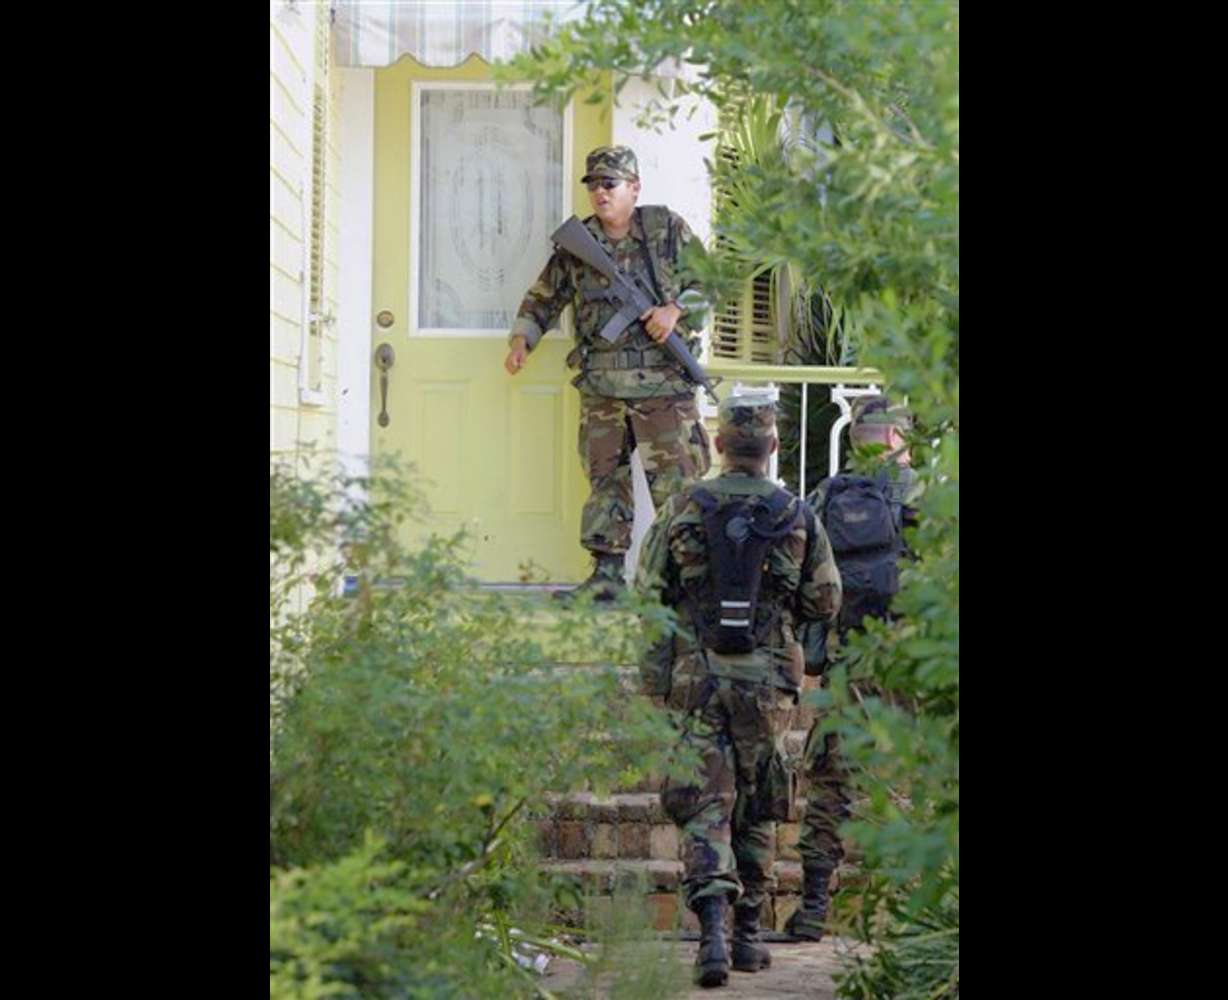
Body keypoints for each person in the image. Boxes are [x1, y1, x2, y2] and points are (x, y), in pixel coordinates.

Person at [634, 392, 842, 988]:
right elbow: (825, 600)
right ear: (772, 448)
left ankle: (714, 935)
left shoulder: (683, 507)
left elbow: (649, 593)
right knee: (758, 797)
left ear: (719, 444)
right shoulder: (796, 513)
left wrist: (657, 673)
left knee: (706, 803)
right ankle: (751, 933)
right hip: (769, 680)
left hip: (697, 676)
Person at [504, 145, 712, 599]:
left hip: (664, 387)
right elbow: (544, 296)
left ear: (634, 188)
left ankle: (687, 582)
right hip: (602, 388)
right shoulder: (579, 245)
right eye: (593, 184)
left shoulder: (667, 231)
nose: (600, 192)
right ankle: (606, 580)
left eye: (610, 183)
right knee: (605, 482)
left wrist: (675, 311)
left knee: (678, 483)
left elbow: (709, 282)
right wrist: (523, 339)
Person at [785, 395, 921, 942]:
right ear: (895, 439)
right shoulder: (923, 492)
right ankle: (917, 917)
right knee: (923, 782)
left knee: (830, 788)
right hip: (912, 663)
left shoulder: (823, 496)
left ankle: (814, 906)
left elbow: (801, 580)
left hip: (847, 666)